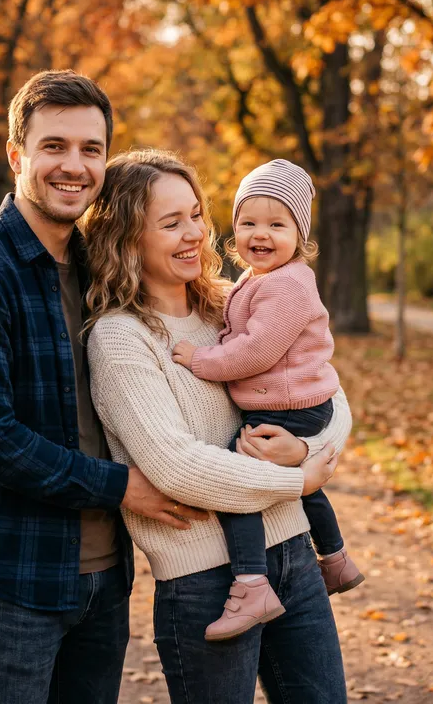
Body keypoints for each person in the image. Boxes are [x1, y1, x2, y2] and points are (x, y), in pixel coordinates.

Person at [0, 71, 207, 704]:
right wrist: (124, 486)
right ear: (16, 154)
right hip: (9, 578)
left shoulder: (100, 269)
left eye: (91, 149)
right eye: (55, 146)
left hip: (104, 577)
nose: (73, 165)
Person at [84, 149, 350, 703]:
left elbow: (330, 392)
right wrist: (298, 483)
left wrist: (303, 449)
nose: (195, 235)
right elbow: (177, 466)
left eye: (198, 215)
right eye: (171, 222)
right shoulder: (121, 339)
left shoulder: (231, 305)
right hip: (205, 578)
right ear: (128, 237)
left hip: (294, 554)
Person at [171, 159, 364, 642]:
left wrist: (201, 360)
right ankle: (336, 560)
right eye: (248, 222)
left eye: (277, 224)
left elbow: (255, 350)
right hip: (292, 400)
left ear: (300, 235)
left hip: (287, 404)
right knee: (307, 486)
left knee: (243, 480)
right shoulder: (260, 278)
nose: (260, 233)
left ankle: (251, 584)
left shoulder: (289, 285)